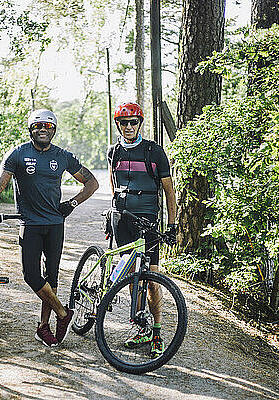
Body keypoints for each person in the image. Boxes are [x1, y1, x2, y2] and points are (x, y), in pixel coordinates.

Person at [0, 109, 99, 347]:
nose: (43, 129)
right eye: (38, 125)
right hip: (30, 224)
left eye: (48, 125)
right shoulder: (18, 154)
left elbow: (92, 183)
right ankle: (63, 314)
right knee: (32, 276)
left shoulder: (62, 156)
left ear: (53, 130)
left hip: (55, 224)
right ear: (31, 129)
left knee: (51, 278)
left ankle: (43, 327)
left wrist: (72, 204)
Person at [107, 102, 177, 358]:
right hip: (122, 220)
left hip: (147, 220)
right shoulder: (113, 151)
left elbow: (169, 191)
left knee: (151, 278)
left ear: (140, 123)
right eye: (123, 122)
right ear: (118, 124)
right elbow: (114, 184)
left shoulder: (154, 151)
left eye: (133, 122)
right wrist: (111, 215)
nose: (128, 127)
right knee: (129, 275)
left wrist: (172, 225)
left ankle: (157, 330)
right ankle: (141, 326)